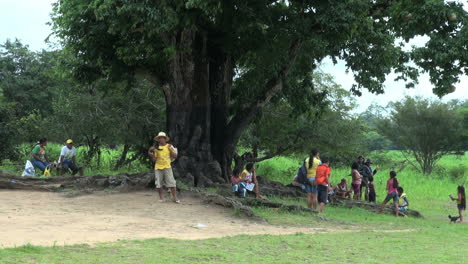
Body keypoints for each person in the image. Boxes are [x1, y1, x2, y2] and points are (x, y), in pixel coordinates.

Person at [150, 132, 179, 203]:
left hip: (167, 166)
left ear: (165, 139)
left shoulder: (169, 146)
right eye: (160, 138)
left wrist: (170, 150)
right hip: (158, 167)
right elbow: (154, 159)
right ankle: (161, 198)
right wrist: (151, 155)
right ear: (158, 139)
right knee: (159, 183)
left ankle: (175, 198)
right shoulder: (156, 148)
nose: (161, 139)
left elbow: (175, 156)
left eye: (163, 138)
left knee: (172, 183)